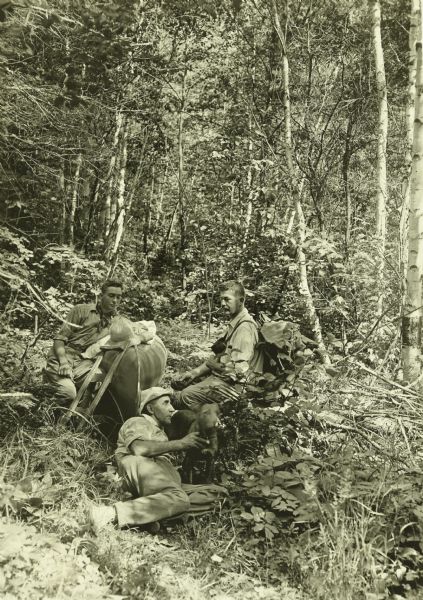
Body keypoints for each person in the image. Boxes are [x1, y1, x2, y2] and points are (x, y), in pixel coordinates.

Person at [89, 386, 227, 532]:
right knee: (179, 498)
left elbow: (200, 419)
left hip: (163, 477)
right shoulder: (138, 421)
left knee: (218, 494)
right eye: (166, 403)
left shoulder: (162, 431)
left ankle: (150, 517)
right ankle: (110, 513)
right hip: (141, 465)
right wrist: (181, 444)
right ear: (150, 408)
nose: (172, 408)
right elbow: (139, 449)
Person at [172, 280, 263, 411]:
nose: (222, 304)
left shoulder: (245, 328)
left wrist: (213, 365)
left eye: (227, 299)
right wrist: (193, 373)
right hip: (222, 380)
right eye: (221, 299)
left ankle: (217, 424)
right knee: (177, 385)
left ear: (241, 300)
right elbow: (218, 358)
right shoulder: (234, 323)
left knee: (186, 396)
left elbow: (240, 372)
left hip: (238, 388)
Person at [43, 280, 123, 404]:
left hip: (83, 362)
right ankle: (44, 407)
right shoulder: (81, 310)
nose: (115, 300)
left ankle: (77, 416)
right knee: (68, 393)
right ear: (101, 296)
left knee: (104, 385)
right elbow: (60, 338)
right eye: (111, 296)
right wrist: (63, 362)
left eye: (118, 297)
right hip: (64, 356)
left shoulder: (116, 322)